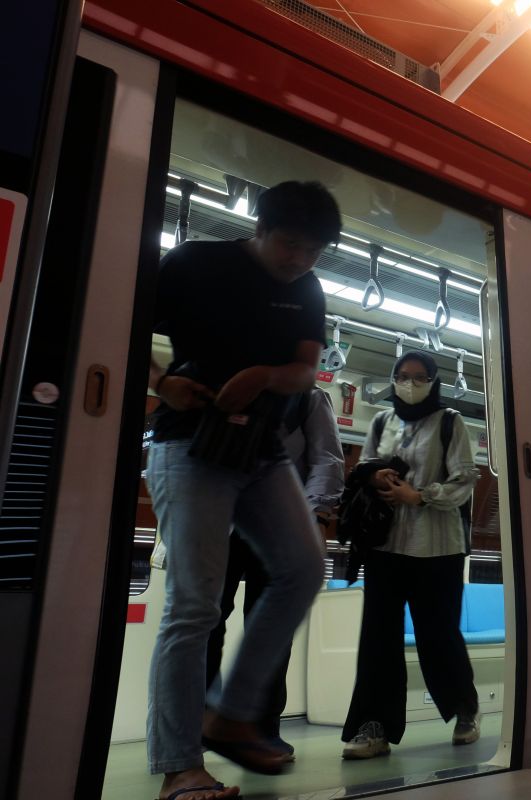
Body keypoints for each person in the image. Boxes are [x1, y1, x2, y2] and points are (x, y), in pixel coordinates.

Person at [145, 181, 340, 800]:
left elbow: (307, 369)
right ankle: (181, 767)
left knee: (305, 568)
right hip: (187, 443)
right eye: (289, 245)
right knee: (195, 606)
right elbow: (118, 324)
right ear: (259, 227)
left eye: (313, 252)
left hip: (261, 450)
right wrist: (160, 386)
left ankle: (231, 713)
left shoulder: (306, 290)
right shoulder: (192, 263)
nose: (299, 261)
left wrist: (264, 376)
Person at [340, 350, 482, 759]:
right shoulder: (383, 420)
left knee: (438, 635)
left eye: (419, 377)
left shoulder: (450, 423)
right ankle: (374, 725)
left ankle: (464, 709)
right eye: (403, 376)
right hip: (385, 545)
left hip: (438, 548)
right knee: (378, 638)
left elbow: (464, 479)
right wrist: (375, 474)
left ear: (434, 381)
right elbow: (365, 464)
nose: (410, 384)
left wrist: (419, 496)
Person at [205, 386, 345, 760]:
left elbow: (327, 459)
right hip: (225, 521)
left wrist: (314, 514)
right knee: (206, 622)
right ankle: (200, 721)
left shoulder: (307, 397)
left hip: (276, 520)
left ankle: (261, 728)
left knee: (269, 626)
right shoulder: (225, 386)